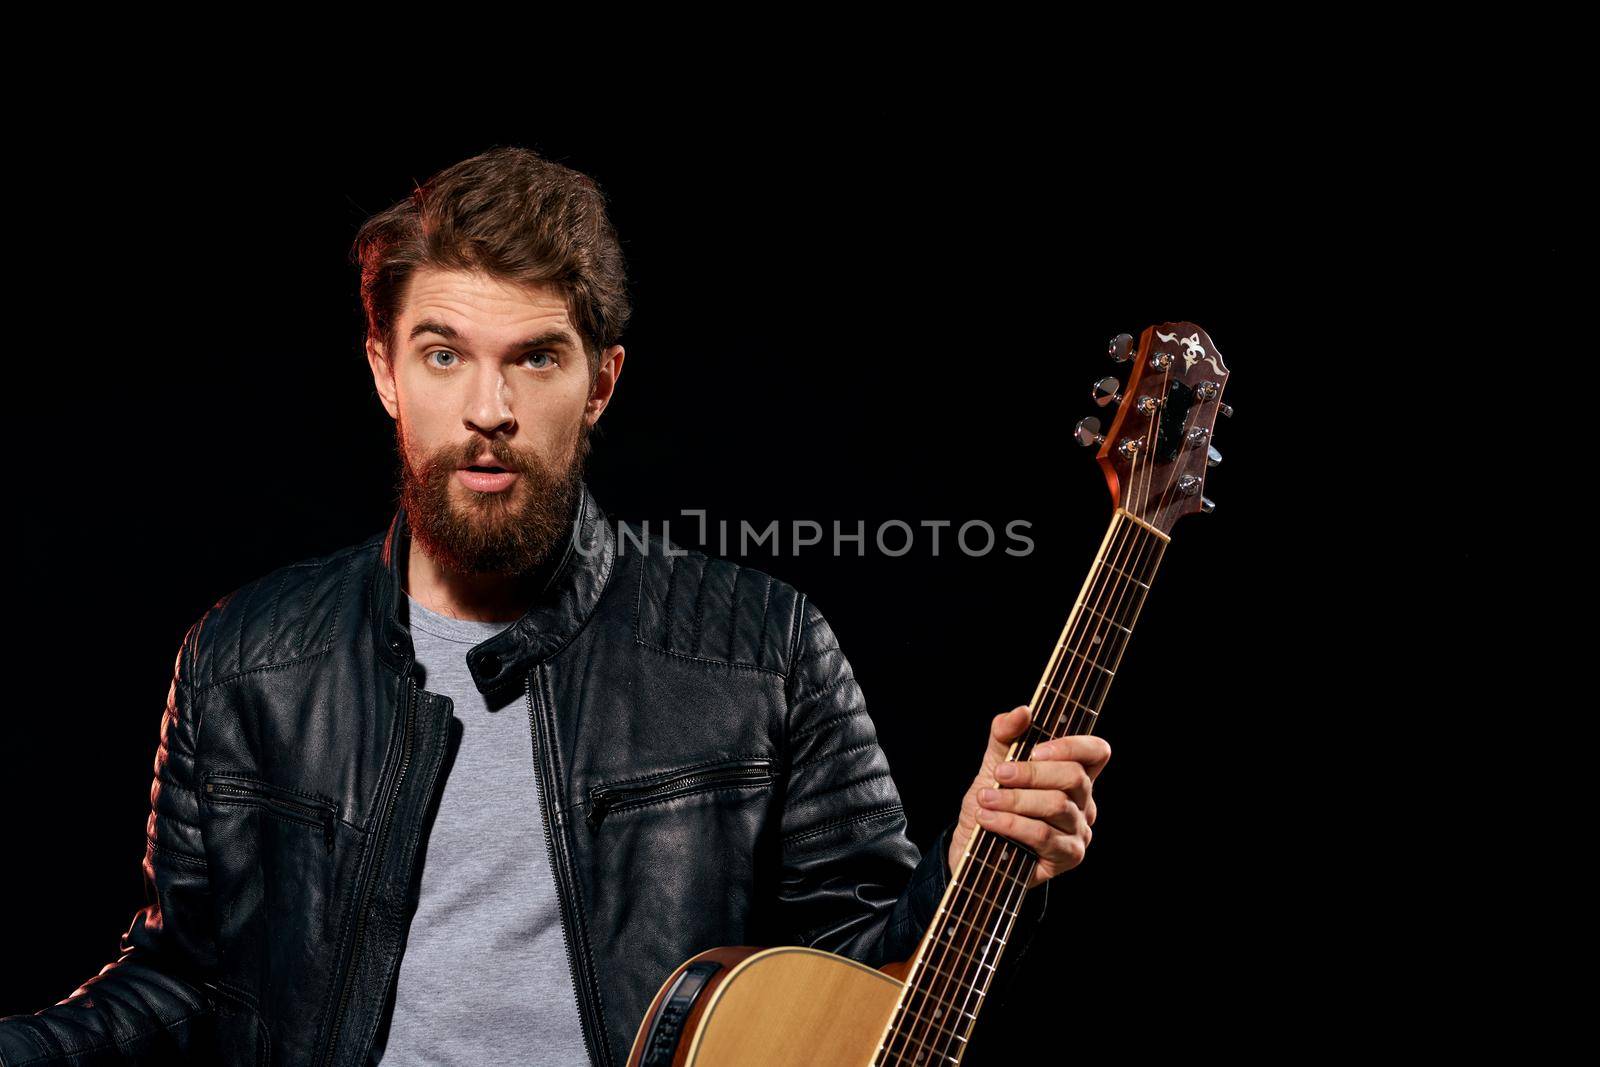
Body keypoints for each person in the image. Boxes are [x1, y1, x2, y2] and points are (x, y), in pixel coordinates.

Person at [0, 146, 1108, 1066]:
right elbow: (185, 980)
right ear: (386, 370)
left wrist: (969, 864)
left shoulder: (762, 646)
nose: (488, 408)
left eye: (534, 358)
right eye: (444, 355)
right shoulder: (247, 656)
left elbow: (858, 983)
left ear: (602, 382)